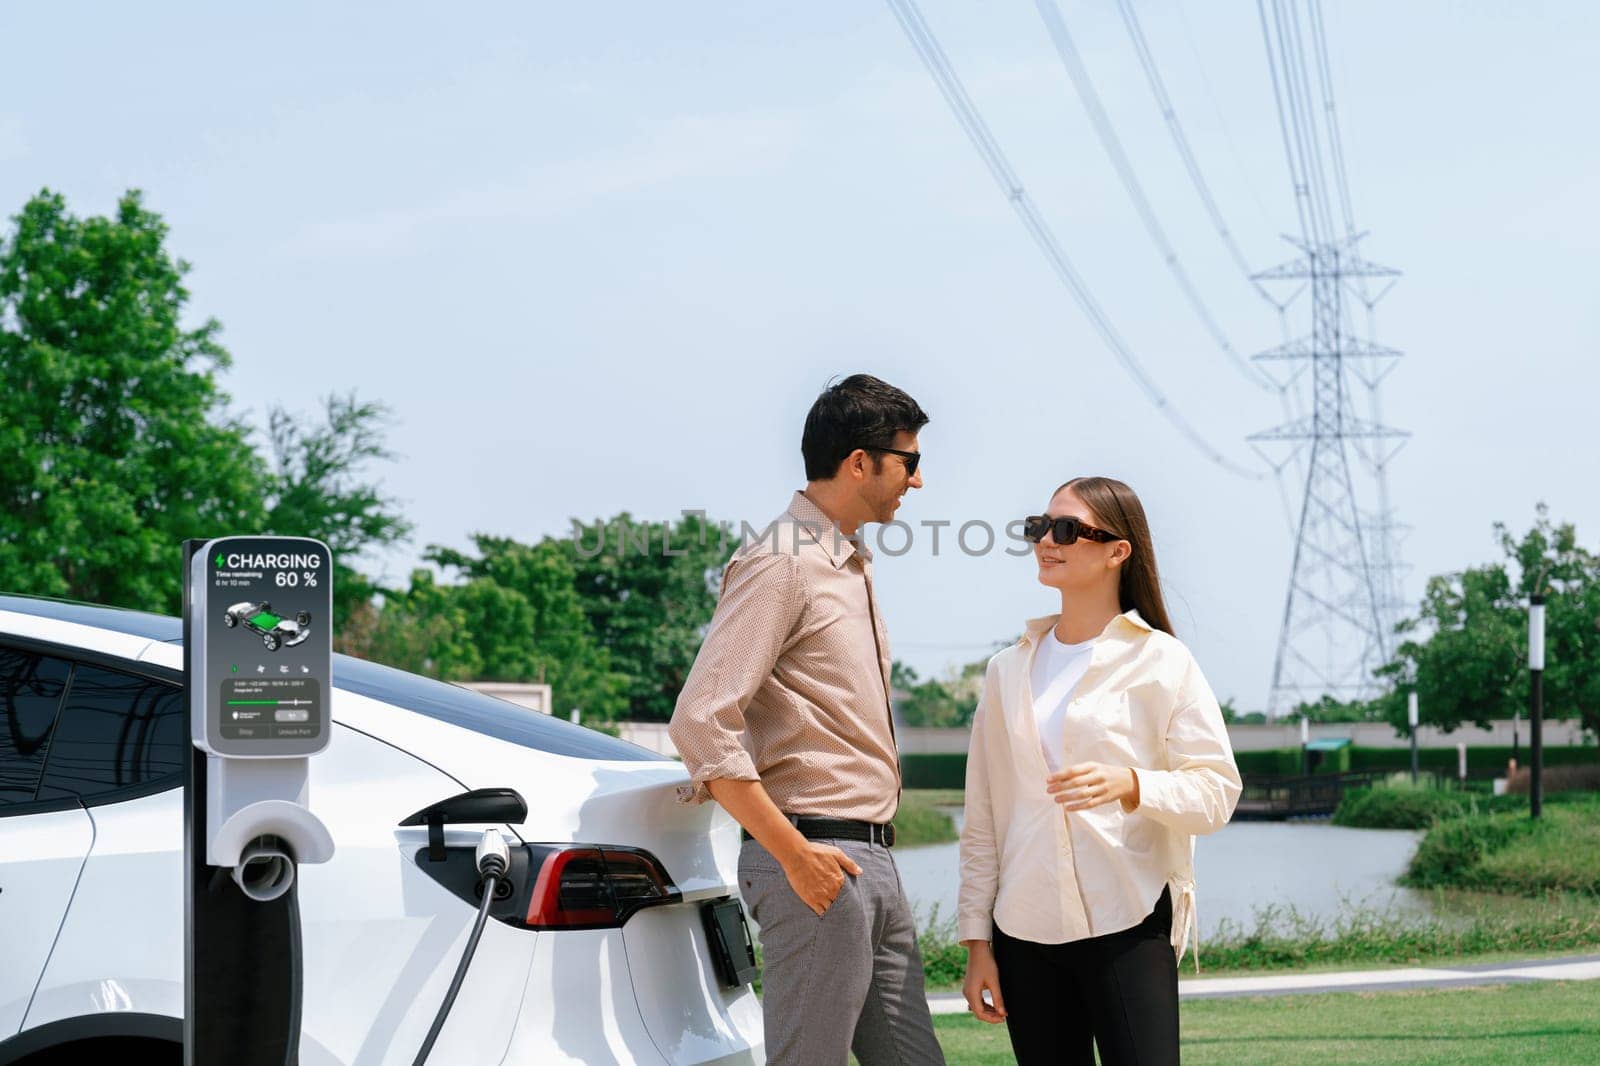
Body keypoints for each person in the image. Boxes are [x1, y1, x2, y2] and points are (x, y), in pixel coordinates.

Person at [669, 374, 945, 1065]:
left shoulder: (849, 563)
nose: (918, 481)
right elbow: (701, 720)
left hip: (871, 859)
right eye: (909, 462)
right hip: (814, 857)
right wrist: (796, 857)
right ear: (861, 462)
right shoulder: (782, 563)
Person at [957, 476, 1241, 1066]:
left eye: (1066, 530)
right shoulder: (1005, 671)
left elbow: (1217, 791)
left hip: (1129, 919)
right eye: (1039, 527)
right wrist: (977, 944)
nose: (1046, 541)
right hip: (1023, 932)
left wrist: (1132, 784)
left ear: (1118, 550)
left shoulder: (1163, 660)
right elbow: (982, 818)